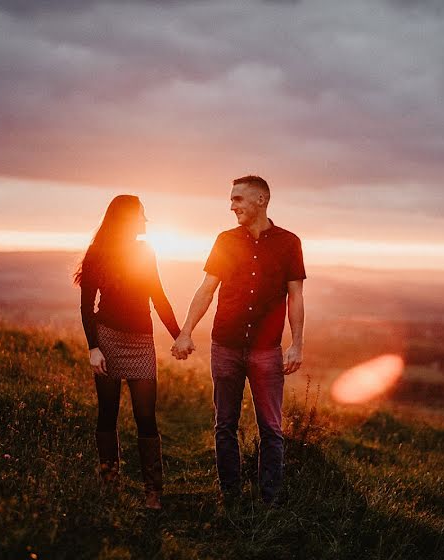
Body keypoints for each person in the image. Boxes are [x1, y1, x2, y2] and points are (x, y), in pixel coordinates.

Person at [172, 175, 305, 505]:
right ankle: (230, 497)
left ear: (261, 200)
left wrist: (297, 343)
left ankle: (270, 502)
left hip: (266, 350)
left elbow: (296, 297)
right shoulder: (225, 240)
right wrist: (186, 331)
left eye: (238, 199)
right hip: (225, 346)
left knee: (272, 429)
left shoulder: (289, 242)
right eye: (231, 200)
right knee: (224, 425)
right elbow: (206, 290)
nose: (232, 206)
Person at [75, 194, 181, 510]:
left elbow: (158, 298)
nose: (145, 220)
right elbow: (86, 306)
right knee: (108, 413)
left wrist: (179, 336)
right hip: (106, 338)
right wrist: (94, 348)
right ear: (125, 218)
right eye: (141, 214)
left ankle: (153, 492)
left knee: (145, 416)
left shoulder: (145, 252)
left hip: (141, 343)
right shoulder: (97, 254)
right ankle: (110, 485)